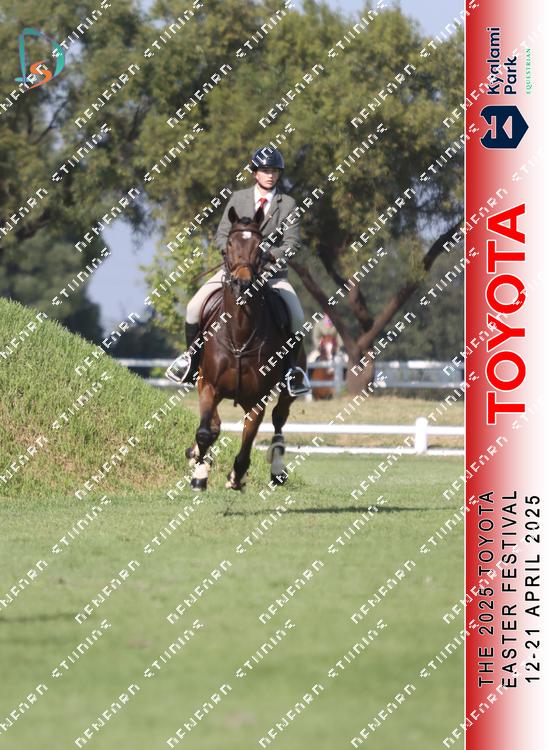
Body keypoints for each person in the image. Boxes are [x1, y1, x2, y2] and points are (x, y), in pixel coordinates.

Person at [166, 146, 310, 396]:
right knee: (193, 307)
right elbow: (222, 235)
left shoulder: (287, 204)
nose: (270, 175)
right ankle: (190, 362)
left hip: (271, 275)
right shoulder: (238, 198)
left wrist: (268, 255)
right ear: (255, 173)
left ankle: (291, 371)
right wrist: (234, 257)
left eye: (274, 171)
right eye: (265, 170)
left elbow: (292, 242)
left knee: (297, 317)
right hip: (234, 272)